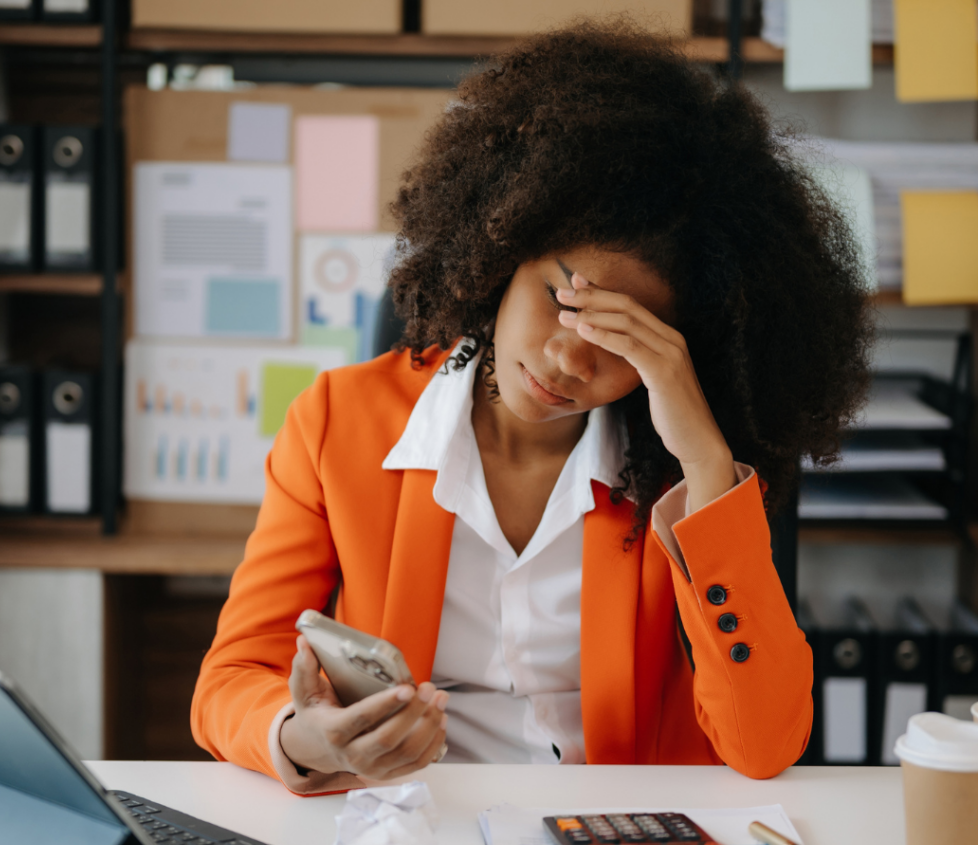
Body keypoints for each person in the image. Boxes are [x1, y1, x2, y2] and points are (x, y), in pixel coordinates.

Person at [192, 21, 872, 795]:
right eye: (562, 299)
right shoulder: (337, 423)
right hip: (414, 830)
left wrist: (707, 468)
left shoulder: (687, 479)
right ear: (498, 247)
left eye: (627, 340)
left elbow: (764, 744)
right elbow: (231, 679)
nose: (570, 359)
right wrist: (305, 739)